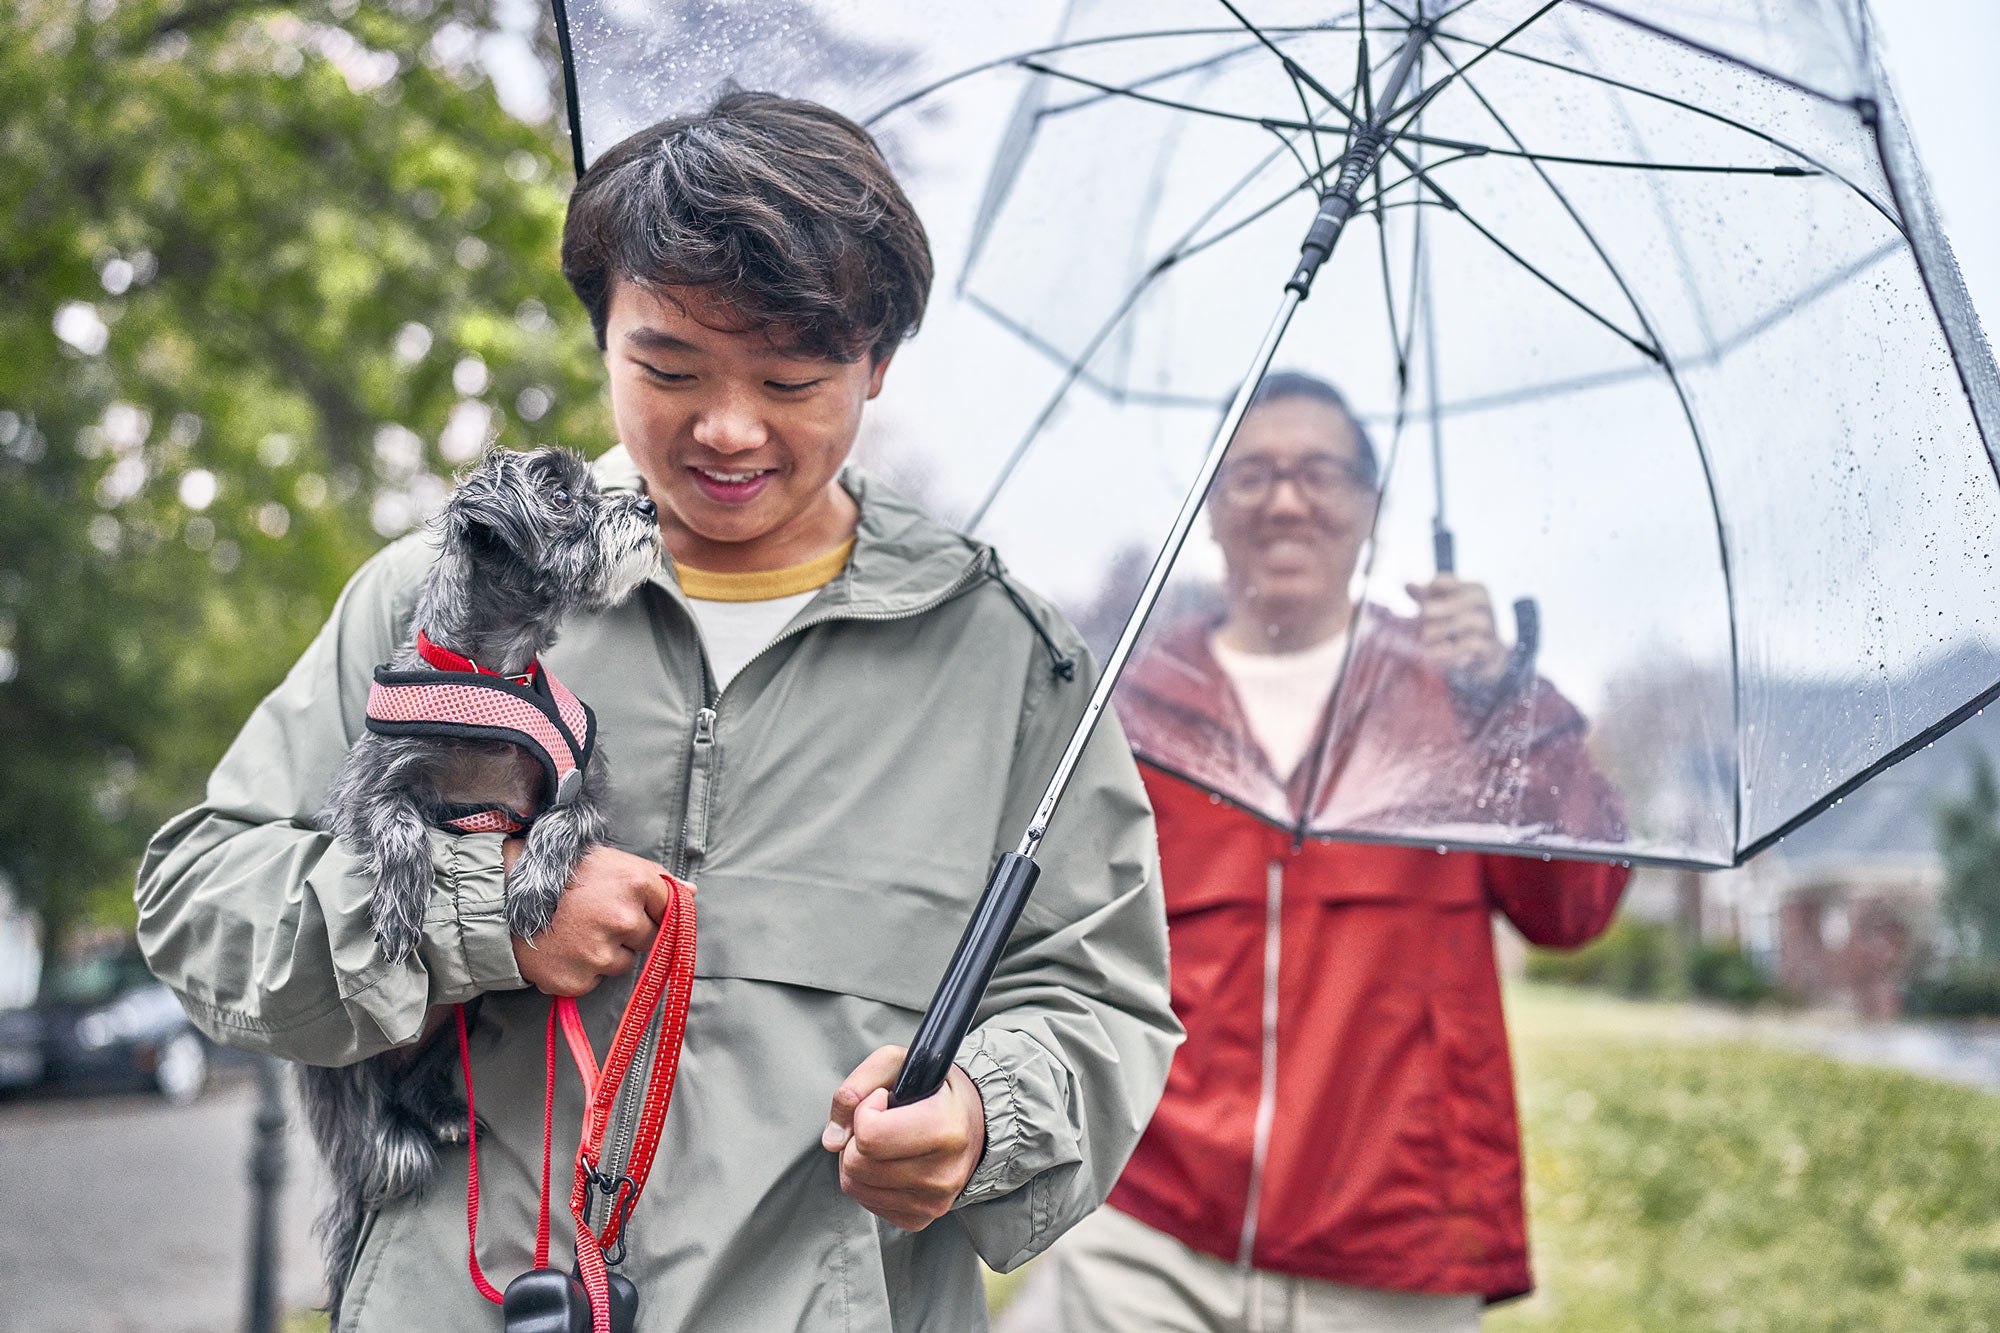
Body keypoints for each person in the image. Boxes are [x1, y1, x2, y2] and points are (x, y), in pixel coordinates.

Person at [135, 91, 1179, 1331]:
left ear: (879, 362)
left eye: (791, 379)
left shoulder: (1010, 663)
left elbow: (1097, 999)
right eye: (668, 367)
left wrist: (987, 1113)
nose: (727, 428)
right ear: (603, 337)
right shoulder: (451, 590)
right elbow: (202, 898)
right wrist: (485, 916)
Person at [1033, 371, 1629, 1331]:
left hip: (1395, 1248)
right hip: (1149, 1230)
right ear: (1212, 509)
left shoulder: (1463, 698)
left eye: (1318, 473)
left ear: (1369, 505)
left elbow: (1576, 910)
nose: (1285, 501)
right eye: (1252, 475)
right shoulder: (1133, 705)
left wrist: (1505, 705)